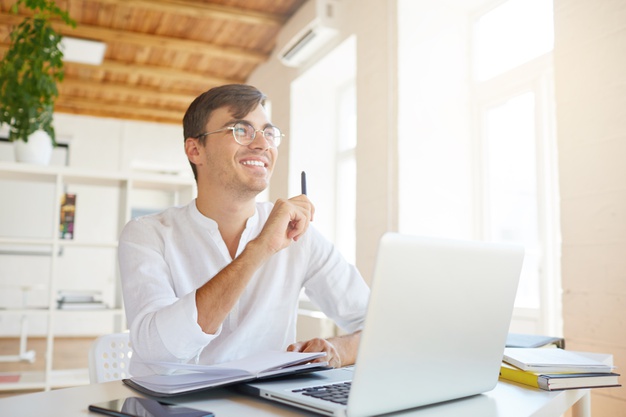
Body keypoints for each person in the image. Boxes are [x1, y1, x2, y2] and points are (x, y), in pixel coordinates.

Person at [118, 84, 370, 376]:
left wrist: (338, 350)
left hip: (270, 404)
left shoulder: (300, 234)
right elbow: (159, 349)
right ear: (195, 149)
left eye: (268, 132)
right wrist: (260, 248)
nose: (262, 144)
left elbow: (378, 324)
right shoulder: (147, 235)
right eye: (241, 129)